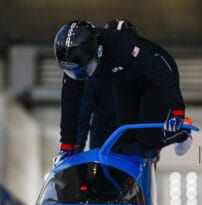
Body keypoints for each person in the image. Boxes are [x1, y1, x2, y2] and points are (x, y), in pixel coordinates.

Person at [53, 19, 192, 164]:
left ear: (98, 52)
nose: (80, 76)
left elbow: (160, 72)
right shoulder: (73, 61)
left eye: (85, 70)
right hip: (125, 81)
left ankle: (182, 133)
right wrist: (66, 146)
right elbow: (71, 103)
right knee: (126, 137)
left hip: (154, 77)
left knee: (148, 139)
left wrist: (177, 109)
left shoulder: (121, 45)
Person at [76, 20, 138, 151]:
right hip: (103, 138)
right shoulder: (95, 75)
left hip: (133, 135)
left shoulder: (143, 71)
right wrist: (77, 146)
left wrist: (155, 145)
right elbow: (83, 113)